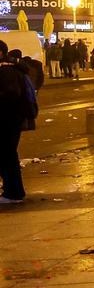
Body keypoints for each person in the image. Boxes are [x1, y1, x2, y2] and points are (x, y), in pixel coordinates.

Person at [0, 40, 38, 204]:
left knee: (6, 155)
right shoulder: (12, 67)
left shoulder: (6, 70)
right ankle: (13, 191)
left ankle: (13, 193)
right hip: (12, 119)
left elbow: (11, 94)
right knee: (8, 155)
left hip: (7, 119)